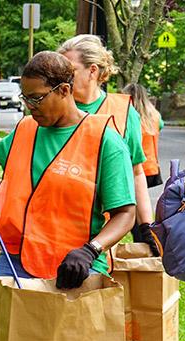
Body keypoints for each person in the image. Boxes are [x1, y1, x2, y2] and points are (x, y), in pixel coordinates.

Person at [0, 51, 136, 288]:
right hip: (16, 258)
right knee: (7, 323)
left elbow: (126, 214)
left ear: (64, 91)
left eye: (36, 98)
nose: (29, 107)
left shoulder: (105, 141)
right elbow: (0, 151)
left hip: (75, 265)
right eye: (25, 98)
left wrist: (91, 250)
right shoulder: (28, 128)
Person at [57, 35, 159, 257]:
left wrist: (146, 226)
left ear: (92, 71)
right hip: (60, 226)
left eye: (70, 71)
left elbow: (136, 172)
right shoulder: (55, 108)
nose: (63, 78)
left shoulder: (122, 112)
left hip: (107, 229)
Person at [122, 83, 163, 188]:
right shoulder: (155, 116)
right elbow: (161, 125)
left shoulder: (128, 117)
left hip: (135, 168)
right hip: (151, 167)